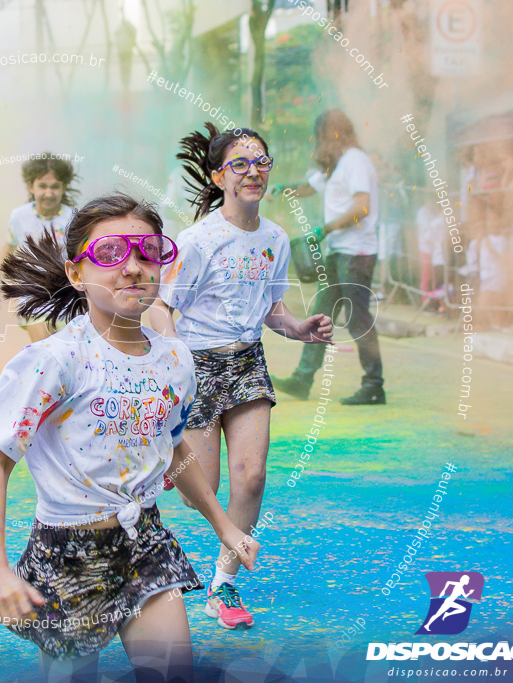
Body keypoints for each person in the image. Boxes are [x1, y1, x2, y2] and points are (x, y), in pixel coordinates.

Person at [0, 193, 260, 683]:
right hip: (68, 555)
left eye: (147, 252)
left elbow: (172, 448)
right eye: (110, 254)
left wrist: (223, 525)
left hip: (145, 543)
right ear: (76, 272)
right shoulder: (55, 360)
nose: (132, 267)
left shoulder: (175, 360)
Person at [149, 123, 333, 631]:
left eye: (262, 163)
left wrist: (299, 327)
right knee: (198, 490)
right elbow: (162, 307)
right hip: (199, 368)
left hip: (248, 363)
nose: (254, 172)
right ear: (218, 176)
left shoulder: (275, 239)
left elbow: (272, 308)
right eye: (240, 164)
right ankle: (172, 464)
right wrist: (174, 358)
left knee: (251, 477)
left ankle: (222, 583)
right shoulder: (198, 240)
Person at [269, 109, 386, 405]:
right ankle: (302, 378)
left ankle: (374, 384)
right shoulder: (337, 165)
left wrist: (325, 229)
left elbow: (362, 207)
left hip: (356, 252)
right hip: (339, 250)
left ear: (332, 134)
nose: (318, 143)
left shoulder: (355, 161)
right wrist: (284, 189)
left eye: (320, 136)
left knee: (357, 319)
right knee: (322, 314)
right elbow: (310, 187)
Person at [0, 153, 79, 343]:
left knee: (65, 351)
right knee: (44, 348)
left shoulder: (73, 217)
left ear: (63, 187)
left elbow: (81, 254)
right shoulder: (19, 216)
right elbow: (10, 244)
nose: (48, 193)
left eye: (55, 186)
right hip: (32, 293)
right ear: (31, 187)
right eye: (42, 186)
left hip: (66, 295)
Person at [415, 192, 446, 311]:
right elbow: (426, 234)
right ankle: (425, 302)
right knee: (426, 275)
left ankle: (435, 301)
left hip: (435, 250)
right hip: (426, 248)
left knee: (435, 276)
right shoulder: (422, 213)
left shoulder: (435, 214)